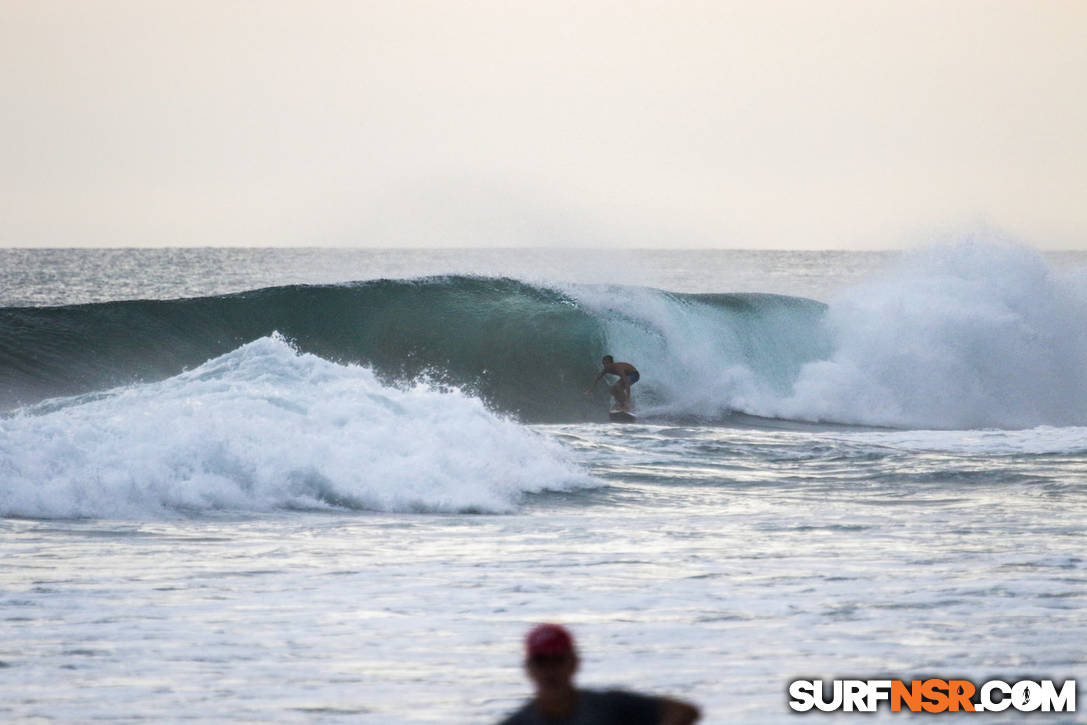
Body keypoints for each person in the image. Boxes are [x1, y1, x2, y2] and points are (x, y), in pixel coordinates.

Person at [497, 623, 701, 725]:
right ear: (528, 668)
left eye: (558, 660)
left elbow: (686, 712)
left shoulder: (609, 707)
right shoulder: (519, 722)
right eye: (541, 661)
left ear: (574, 663)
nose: (550, 671)